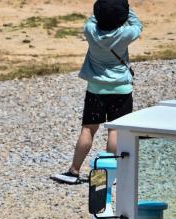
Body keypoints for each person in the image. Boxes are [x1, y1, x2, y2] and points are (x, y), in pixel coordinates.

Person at [51, 0, 143, 184]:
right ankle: (108, 174)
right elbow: (138, 24)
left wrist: (105, 8)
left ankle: (74, 171)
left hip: (96, 88)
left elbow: (94, 17)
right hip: (121, 88)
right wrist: (126, 9)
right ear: (122, 17)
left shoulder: (90, 30)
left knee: (88, 129)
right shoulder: (126, 34)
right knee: (115, 130)